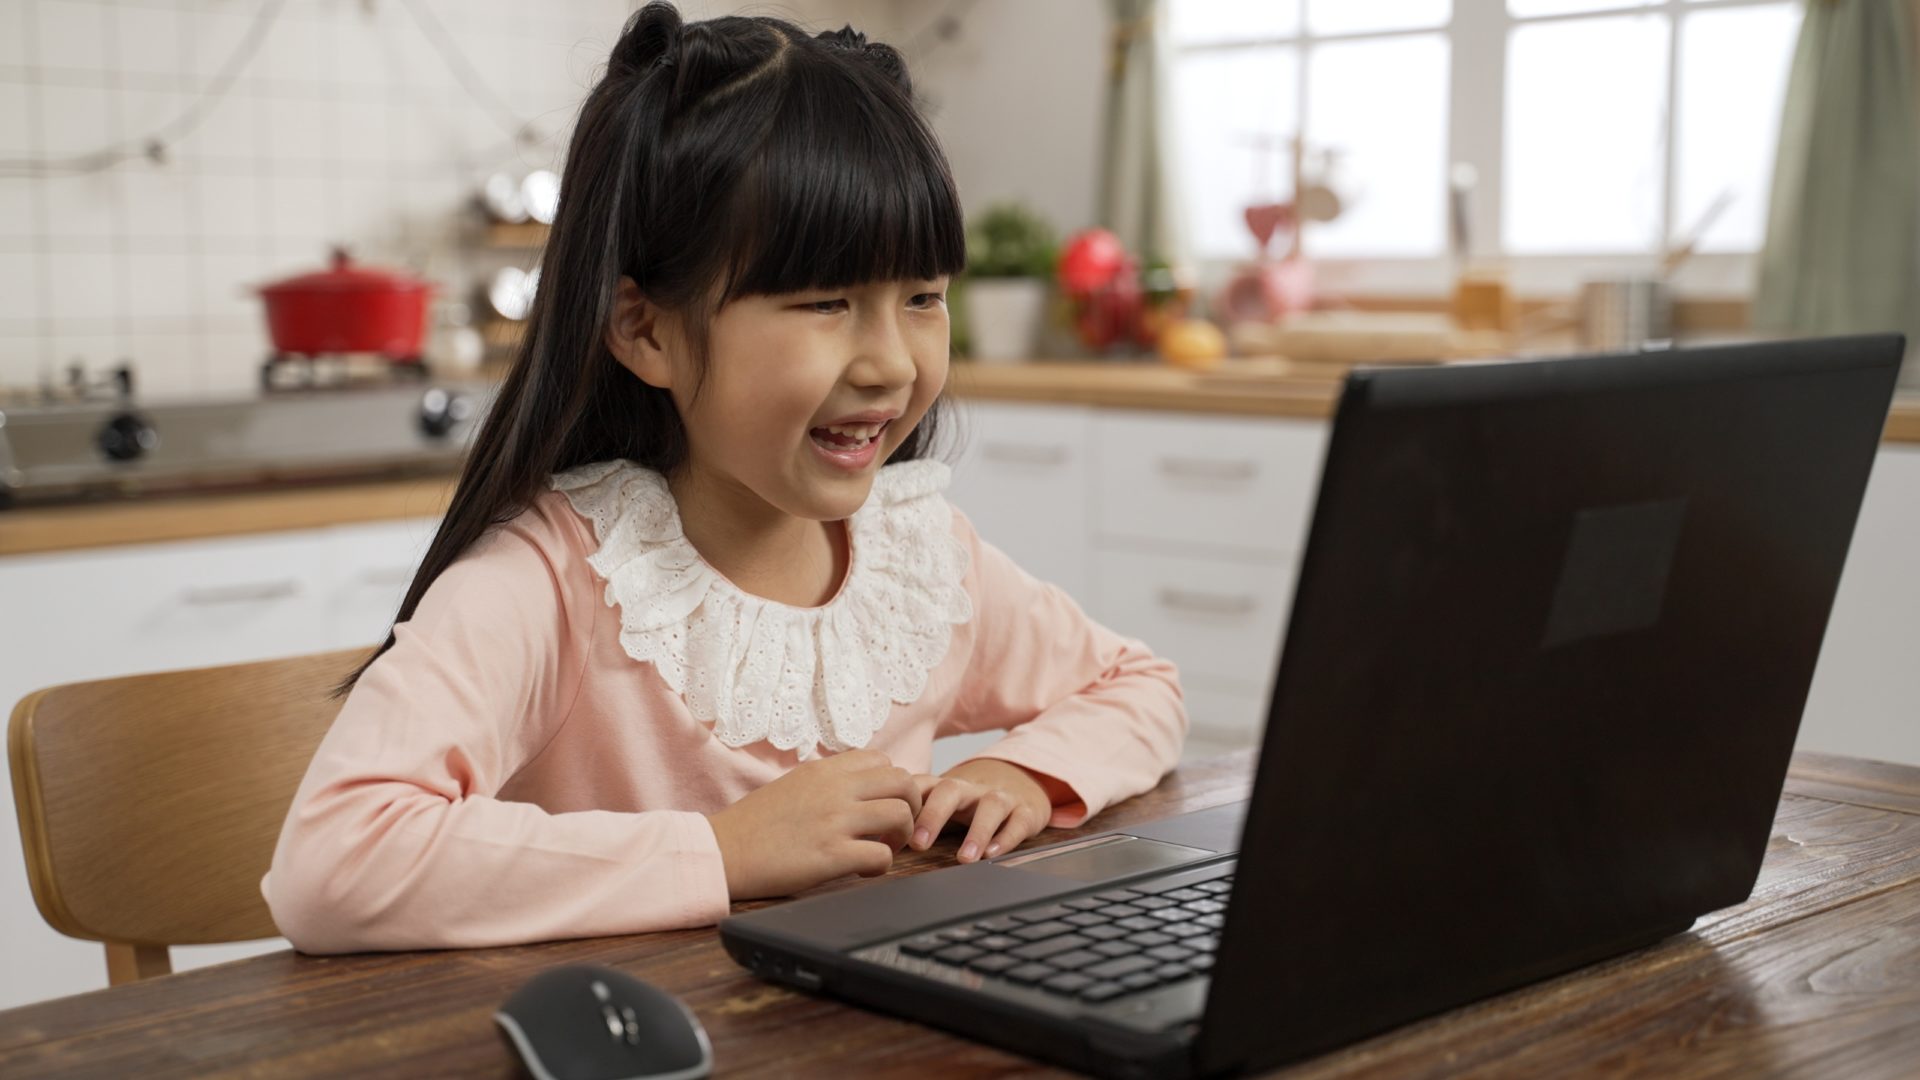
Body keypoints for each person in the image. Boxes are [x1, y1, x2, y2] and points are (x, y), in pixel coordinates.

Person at [262, 1, 1185, 954]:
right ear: (646, 330)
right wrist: (719, 851)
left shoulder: (919, 562)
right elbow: (333, 862)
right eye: (825, 301)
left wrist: (1027, 776)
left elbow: (1140, 685)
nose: (893, 365)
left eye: (922, 298)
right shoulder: (558, 577)